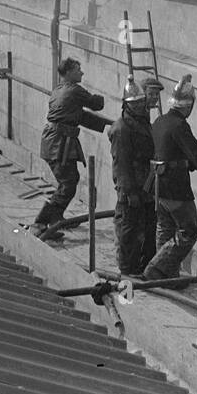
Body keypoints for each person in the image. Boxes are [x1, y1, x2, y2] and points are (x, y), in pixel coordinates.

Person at [142, 74, 197, 281]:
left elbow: (172, 152)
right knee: (190, 230)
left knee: (165, 228)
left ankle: (166, 274)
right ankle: (156, 270)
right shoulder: (179, 125)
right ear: (188, 106)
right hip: (174, 187)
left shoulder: (160, 120)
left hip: (157, 185)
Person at [32, 58, 105, 241]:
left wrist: (107, 125)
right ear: (70, 72)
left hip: (55, 141)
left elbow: (77, 115)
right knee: (68, 183)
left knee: (69, 181)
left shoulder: (58, 89)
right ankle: (42, 222)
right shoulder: (74, 90)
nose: (82, 73)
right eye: (78, 70)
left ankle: (56, 217)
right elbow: (97, 104)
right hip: (58, 143)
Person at [110, 74, 162, 276]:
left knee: (149, 228)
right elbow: (121, 165)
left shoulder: (142, 122)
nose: (140, 106)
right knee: (129, 230)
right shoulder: (122, 129)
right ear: (127, 104)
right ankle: (127, 270)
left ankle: (143, 268)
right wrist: (129, 192)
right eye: (136, 103)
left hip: (146, 186)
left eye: (142, 102)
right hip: (132, 189)